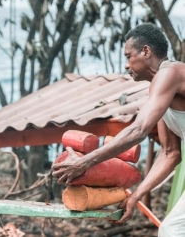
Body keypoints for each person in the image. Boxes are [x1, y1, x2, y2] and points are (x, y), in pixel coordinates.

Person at [52, 22, 185, 237]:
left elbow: (138, 130)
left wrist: (84, 162)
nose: (125, 65)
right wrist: (136, 196)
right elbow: (170, 154)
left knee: (173, 230)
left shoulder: (170, 72)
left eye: (128, 56)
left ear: (146, 51)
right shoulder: (159, 90)